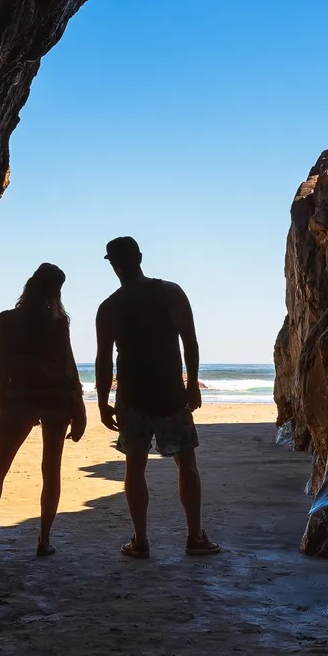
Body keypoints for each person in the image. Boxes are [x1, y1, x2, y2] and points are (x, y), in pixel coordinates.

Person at [95, 237, 220, 559]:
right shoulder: (170, 292)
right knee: (186, 464)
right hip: (169, 393)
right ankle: (195, 537)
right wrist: (191, 384)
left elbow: (103, 360)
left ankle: (140, 540)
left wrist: (101, 402)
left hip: (131, 397)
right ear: (139, 256)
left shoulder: (109, 306)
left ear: (112, 263)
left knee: (134, 468)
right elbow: (190, 342)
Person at [0, 263, 87, 556]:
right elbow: (69, 368)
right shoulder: (59, 322)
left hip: (18, 399)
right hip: (56, 399)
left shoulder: (6, 320)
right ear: (56, 291)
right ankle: (44, 541)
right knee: (51, 471)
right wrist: (79, 407)